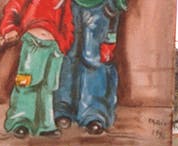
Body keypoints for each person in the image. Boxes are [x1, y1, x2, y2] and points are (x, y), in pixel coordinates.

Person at [0, 0, 73, 138]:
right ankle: (20, 120)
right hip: (34, 40)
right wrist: (9, 27)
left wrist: (64, 43)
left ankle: (46, 125)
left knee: (48, 86)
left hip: (54, 46)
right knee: (26, 82)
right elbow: (14, 6)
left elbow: (68, 20)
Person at [54, 0, 127, 135]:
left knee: (94, 58)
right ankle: (63, 108)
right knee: (68, 56)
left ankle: (94, 114)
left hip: (100, 6)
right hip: (69, 5)